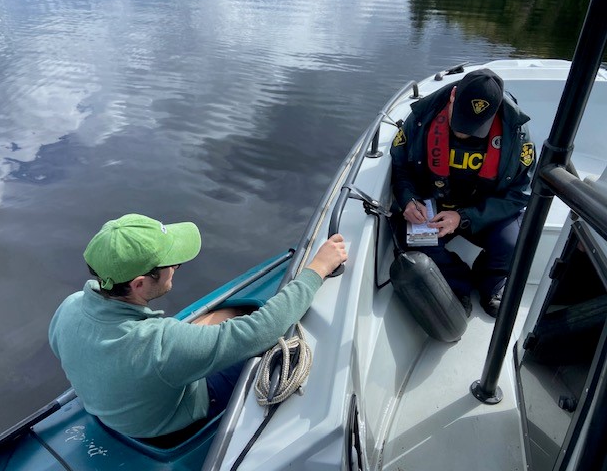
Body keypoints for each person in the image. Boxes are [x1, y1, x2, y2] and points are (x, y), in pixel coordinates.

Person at [48, 213, 347, 443]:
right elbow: (263, 330)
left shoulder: (69, 307)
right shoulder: (159, 345)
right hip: (172, 424)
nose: (176, 266)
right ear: (140, 283)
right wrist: (317, 269)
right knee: (273, 346)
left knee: (224, 318)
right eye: (172, 263)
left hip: (124, 410)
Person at [390, 68, 535, 318]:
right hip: (434, 206)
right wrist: (408, 200)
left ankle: (491, 284)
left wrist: (466, 217)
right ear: (453, 95)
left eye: (475, 127)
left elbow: (519, 192)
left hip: (484, 209)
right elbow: (401, 167)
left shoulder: (516, 133)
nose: (463, 132)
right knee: (410, 242)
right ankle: (458, 284)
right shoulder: (422, 117)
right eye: (460, 122)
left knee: (512, 244)